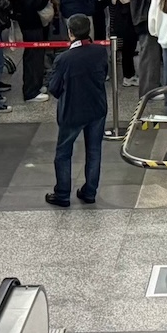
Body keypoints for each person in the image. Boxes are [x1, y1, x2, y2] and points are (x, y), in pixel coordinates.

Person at [45, 14, 109, 208]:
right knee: (94, 150)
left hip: (72, 111)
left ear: (70, 32)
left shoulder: (63, 59)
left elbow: (54, 88)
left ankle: (63, 193)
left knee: (64, 152)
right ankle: (90, 191)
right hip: (96, 108)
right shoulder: (100, 51)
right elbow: (103, 74)